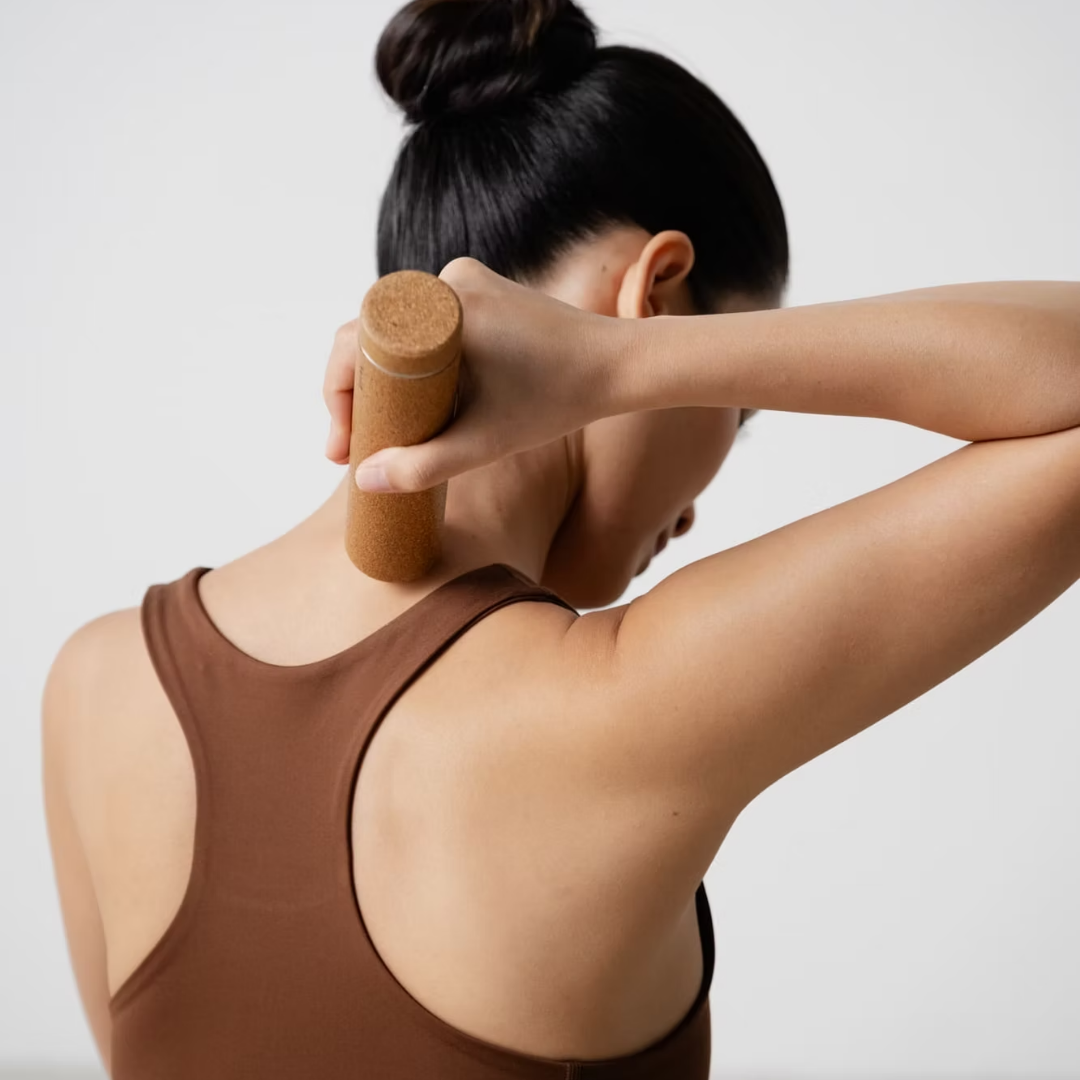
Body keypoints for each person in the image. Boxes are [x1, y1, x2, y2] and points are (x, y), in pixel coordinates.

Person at [42, 1, 1080, 1077]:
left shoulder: (96, 683)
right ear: (656, 289)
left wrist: (630, 357)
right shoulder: (629, 706)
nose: (694, 513)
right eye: (742, 404)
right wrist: (635, 365)